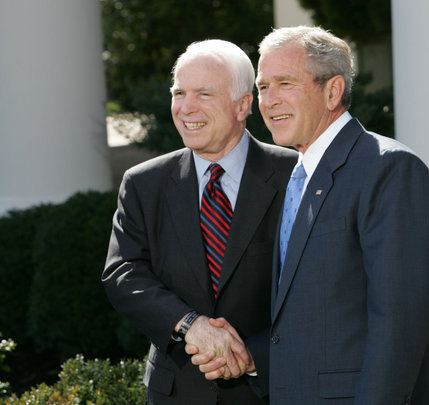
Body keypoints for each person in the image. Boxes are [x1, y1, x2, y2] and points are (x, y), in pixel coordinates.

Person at [193, 26, 429, 404]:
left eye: (285, 84)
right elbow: (310, 313)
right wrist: (253, 357)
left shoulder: (389, 170)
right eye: (263, 87)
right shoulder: (296, 175)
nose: (270, 101)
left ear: (333, 91)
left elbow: (399, 327)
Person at [102, 39, 297, 405]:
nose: (186, 107)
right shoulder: (143, 183)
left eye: (204, 94)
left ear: (243, 105)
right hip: (176, 392)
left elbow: (319, 288)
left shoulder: (294, 177)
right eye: (179, 93)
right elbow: (124, 273)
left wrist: (255, 355)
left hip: (271, 389)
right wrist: (190, 324)